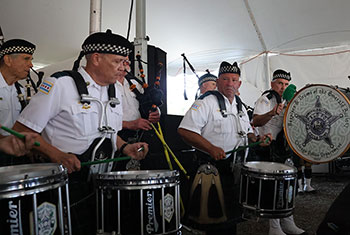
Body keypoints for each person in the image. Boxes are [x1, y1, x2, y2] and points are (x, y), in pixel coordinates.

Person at [12, 29, 149, 235]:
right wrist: (56, 154)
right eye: (118, 61)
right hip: (65, 185)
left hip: (101, 185)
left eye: (125, 62)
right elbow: (21, 131)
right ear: (96, 58)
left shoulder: (114, 90)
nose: (124, 68)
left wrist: (125, 146)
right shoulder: (60, 85)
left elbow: (108, 132)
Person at [178, 61, 271, 235]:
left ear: (239, 84)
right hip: (212, 170)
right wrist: (210, 148)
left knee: (231, 221)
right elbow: (185, 131)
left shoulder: (240, 105)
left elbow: (248, 133)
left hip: (235, 172)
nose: (230, 83)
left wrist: (258, 139)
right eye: (225, 79)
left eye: (234, 80)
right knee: (215, 223)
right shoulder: (205, 102)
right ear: (218, 81)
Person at [252, 69, 307, 235]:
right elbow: (255, 120)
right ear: (272, 84)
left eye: (286, 84)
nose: (283, 87)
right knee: (274, 188)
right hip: (269, 149)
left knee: (289, 186)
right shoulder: (266, 99)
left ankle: (288, 222)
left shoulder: (288, 100)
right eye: (280, 84)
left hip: (284, 149)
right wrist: (271, 112)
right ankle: (274, 228)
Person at [0, 39, 36, 138]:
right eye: (26, 59)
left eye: (31, 60)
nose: (31, 65)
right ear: (8, 60)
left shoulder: (20, 91)